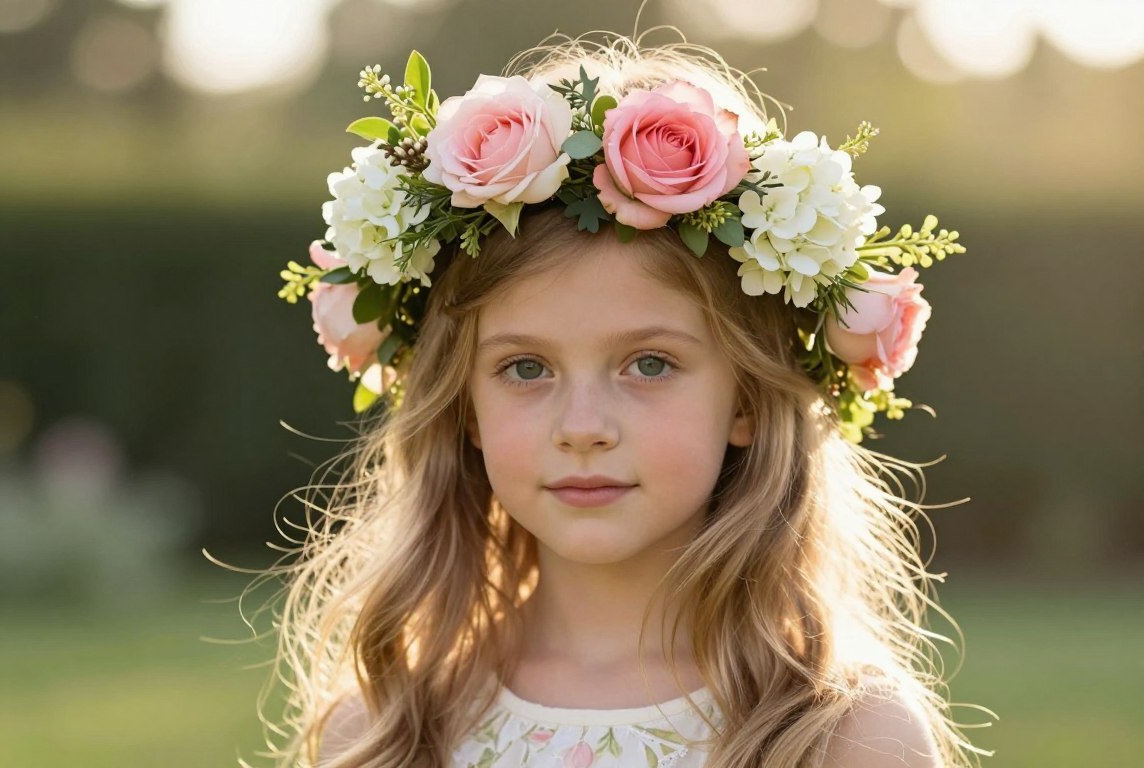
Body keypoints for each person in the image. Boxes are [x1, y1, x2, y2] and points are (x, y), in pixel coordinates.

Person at [262, 26, 993, 768]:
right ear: (463, 408)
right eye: (524, 369)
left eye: (648, 364)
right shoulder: (391, 729)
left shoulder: (843, 736)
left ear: (745, 399)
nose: (583, 428)